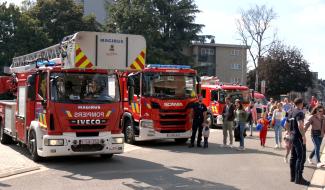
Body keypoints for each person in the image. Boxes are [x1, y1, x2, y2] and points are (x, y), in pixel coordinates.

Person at [286, 98, 310, 185]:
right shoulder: (300, 113)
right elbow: (300, 125)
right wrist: (303, 136)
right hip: (298, 137)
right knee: (301, 157)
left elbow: (286, 124)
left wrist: (289, 132)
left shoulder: (291, 112)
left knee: (293, 157)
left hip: (292, 136)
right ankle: (299, 178)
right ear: (301, 103)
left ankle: (293, 177)